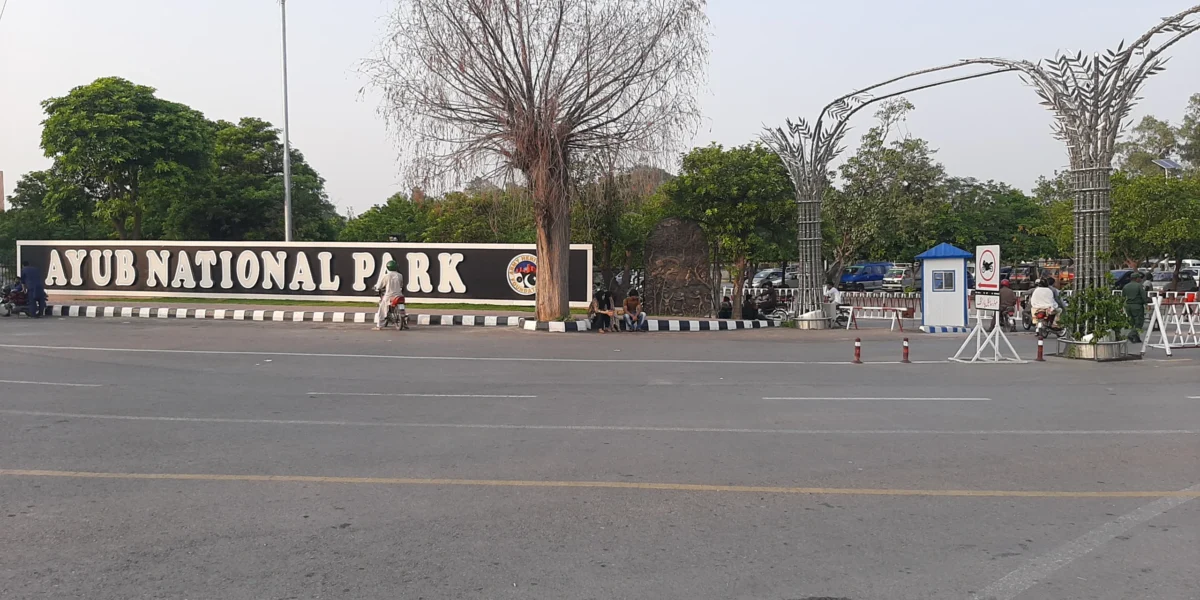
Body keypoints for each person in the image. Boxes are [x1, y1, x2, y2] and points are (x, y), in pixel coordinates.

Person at [372, 260, 406, 330]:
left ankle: (379, 325)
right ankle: (405, 323)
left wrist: (376, 288)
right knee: (403, 308)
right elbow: (401, 285)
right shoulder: (400, 275)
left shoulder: (387, 276)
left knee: (381, 309)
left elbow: (380, 286)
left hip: (389, 296)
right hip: (399, 295)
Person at [1122, 271, 1151, 343]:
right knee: (1139, 322)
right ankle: (1131, 334)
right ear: (1136, 278)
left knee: (1132, 322)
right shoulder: (1139, 286)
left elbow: (1123, 297)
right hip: (1137, 306)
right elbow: (1143, 296)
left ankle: (1136, 337)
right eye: (1139, 278)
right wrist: (1146, 304)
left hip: (1128, 306)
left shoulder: (1125, 286)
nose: (1140, 279)